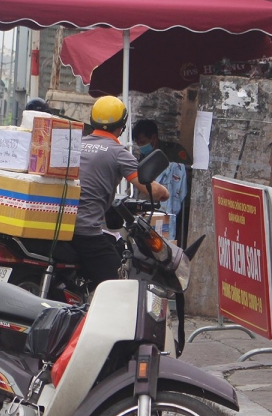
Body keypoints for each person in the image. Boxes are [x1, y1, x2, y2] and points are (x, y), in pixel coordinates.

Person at [75, 96, 169, 286]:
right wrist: (165, 193)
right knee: (119, 284)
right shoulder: (119, 153)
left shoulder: (75, 144)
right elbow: (152, 189)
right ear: (122, 126)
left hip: (60, 228)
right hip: (85, 232)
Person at [131, 119, 191, 235]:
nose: (140, 146)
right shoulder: (144, 157)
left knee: (178, 234)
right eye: (138, 143)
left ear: (153, 138)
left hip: (179, 204)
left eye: (143, 142)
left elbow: (188, 173)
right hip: (154, 205)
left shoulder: (174, 151)